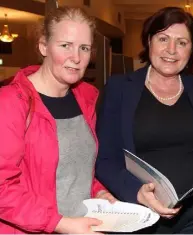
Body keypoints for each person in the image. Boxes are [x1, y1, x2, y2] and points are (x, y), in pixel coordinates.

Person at [95, 7, 193, 234]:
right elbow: (105, 159)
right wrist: (136, 192)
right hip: (140, 216)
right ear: (149, 41)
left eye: (182, 42)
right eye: (163, 39)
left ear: (191, 49)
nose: (171, 50)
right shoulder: (119, 89)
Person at [0, 7, 115, 234]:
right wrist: (61, 224)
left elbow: (74, 170)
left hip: (82, 227)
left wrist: (99, 191)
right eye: (65, 46)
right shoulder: (11, 102)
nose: (76, 57)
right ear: (44, 46)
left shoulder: (86, 98)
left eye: (84, 48)